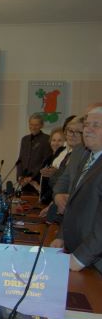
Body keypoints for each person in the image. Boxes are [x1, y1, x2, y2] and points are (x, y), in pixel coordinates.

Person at [51, 106, 102, 272]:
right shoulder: (86, 156)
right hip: (76, 250)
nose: (88, 130)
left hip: (93, 260)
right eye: (87, 125)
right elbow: (72, 203)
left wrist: (80, 259)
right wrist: (62, 236)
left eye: (96, 125)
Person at [16, 113, 52, 194]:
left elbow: (45, 162)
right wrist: (19, 177)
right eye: (31, 124)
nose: (33, 127)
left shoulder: (47, 139)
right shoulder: (24, 139)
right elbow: (20, 160)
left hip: (38, 181)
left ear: (41, 125)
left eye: (36, 125)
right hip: (24, 182)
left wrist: (31, 178)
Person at [37, 126, 66, 203]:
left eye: (60, 140)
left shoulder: (65, 160)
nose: (56, 143)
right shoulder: (48, 159)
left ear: (65, 142)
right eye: (53, 140)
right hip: (44, 199)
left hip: (55, 200)